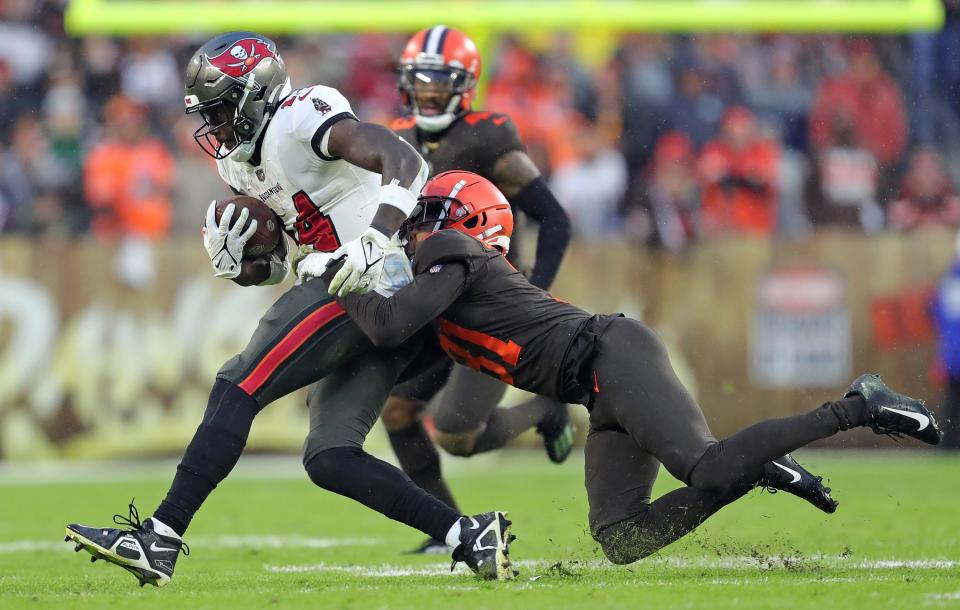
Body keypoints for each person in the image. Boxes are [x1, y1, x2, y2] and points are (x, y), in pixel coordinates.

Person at [64, 32, 516, 587]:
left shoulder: (301, 117)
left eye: (222, 110)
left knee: (238, 382)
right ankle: (467, 536)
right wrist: (244, 264)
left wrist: (376, 236)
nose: (216, 127)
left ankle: (160, 536)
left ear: (256, 95)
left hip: (373, 279)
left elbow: (404, 160)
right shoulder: (238, 165)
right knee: (330, 456)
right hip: (355, 292)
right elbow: (287, 258)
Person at [335, 170, 944, 565]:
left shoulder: (453, 251)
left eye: (429, 215)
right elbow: (395, 338)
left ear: (465, 225)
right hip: (594, 387)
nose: (415, 228)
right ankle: (753, 468)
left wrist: (337, 276)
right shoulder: (442, 283)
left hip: (611, 355)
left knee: (703, 464)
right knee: (621, 539)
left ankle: (859, 404)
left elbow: (387, 323)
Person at [385, 25, 573, 554]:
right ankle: (444, 527)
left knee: (454, 435)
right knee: (396, 410)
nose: (427, 92)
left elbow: (554, 219)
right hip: (430, 305)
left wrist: (532, 295)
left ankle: (546, 407)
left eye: (438, 81)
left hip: (485, 305)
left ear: (464, 85)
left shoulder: (488, 135)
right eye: (419, 80)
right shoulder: (396, 136)